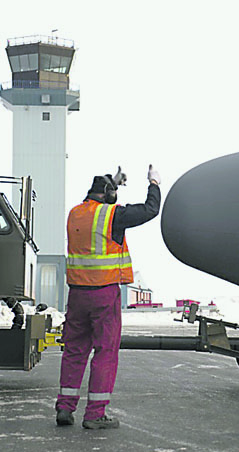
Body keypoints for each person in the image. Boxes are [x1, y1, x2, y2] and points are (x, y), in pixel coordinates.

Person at [55, 165, 161, 429]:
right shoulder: (113, 215)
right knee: (105, 352)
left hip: (77, 294)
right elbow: (150, 210)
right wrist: (154, 183)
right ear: (108, 195)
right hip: (103, 294)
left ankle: (65, 408)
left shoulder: (76, 213)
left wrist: (111, 184)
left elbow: (97, 205)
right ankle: (94, 414)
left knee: (75, 351)